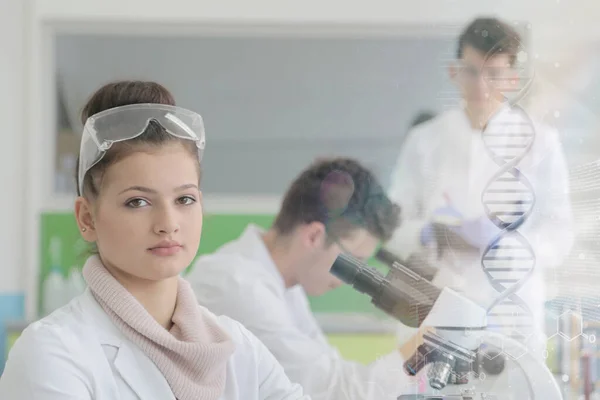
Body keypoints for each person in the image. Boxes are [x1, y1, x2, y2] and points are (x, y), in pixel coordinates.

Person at [0, 81, 309, 400]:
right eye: (138, 202)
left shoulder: (239, 348)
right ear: (86, 218)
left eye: (185, 199)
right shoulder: (51, 354)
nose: (168, 224)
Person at [386, 17, 574, 354]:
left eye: (494, 75)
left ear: (513, 78)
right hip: (434, 304)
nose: (481, 87)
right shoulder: (425, 140)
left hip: (510, 307)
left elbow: (560, 236)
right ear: (453, 71)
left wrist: (504, 246)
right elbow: (391, 224)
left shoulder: (541, 143)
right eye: (471, 72)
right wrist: (427, 233)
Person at [187, 158, 421, 400]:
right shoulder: (238, 286)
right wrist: (425, 347)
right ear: (314, 236)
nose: (349, 280)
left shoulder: (285, 283)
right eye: (355, 262)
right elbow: (337, 393)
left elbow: (333, 370)